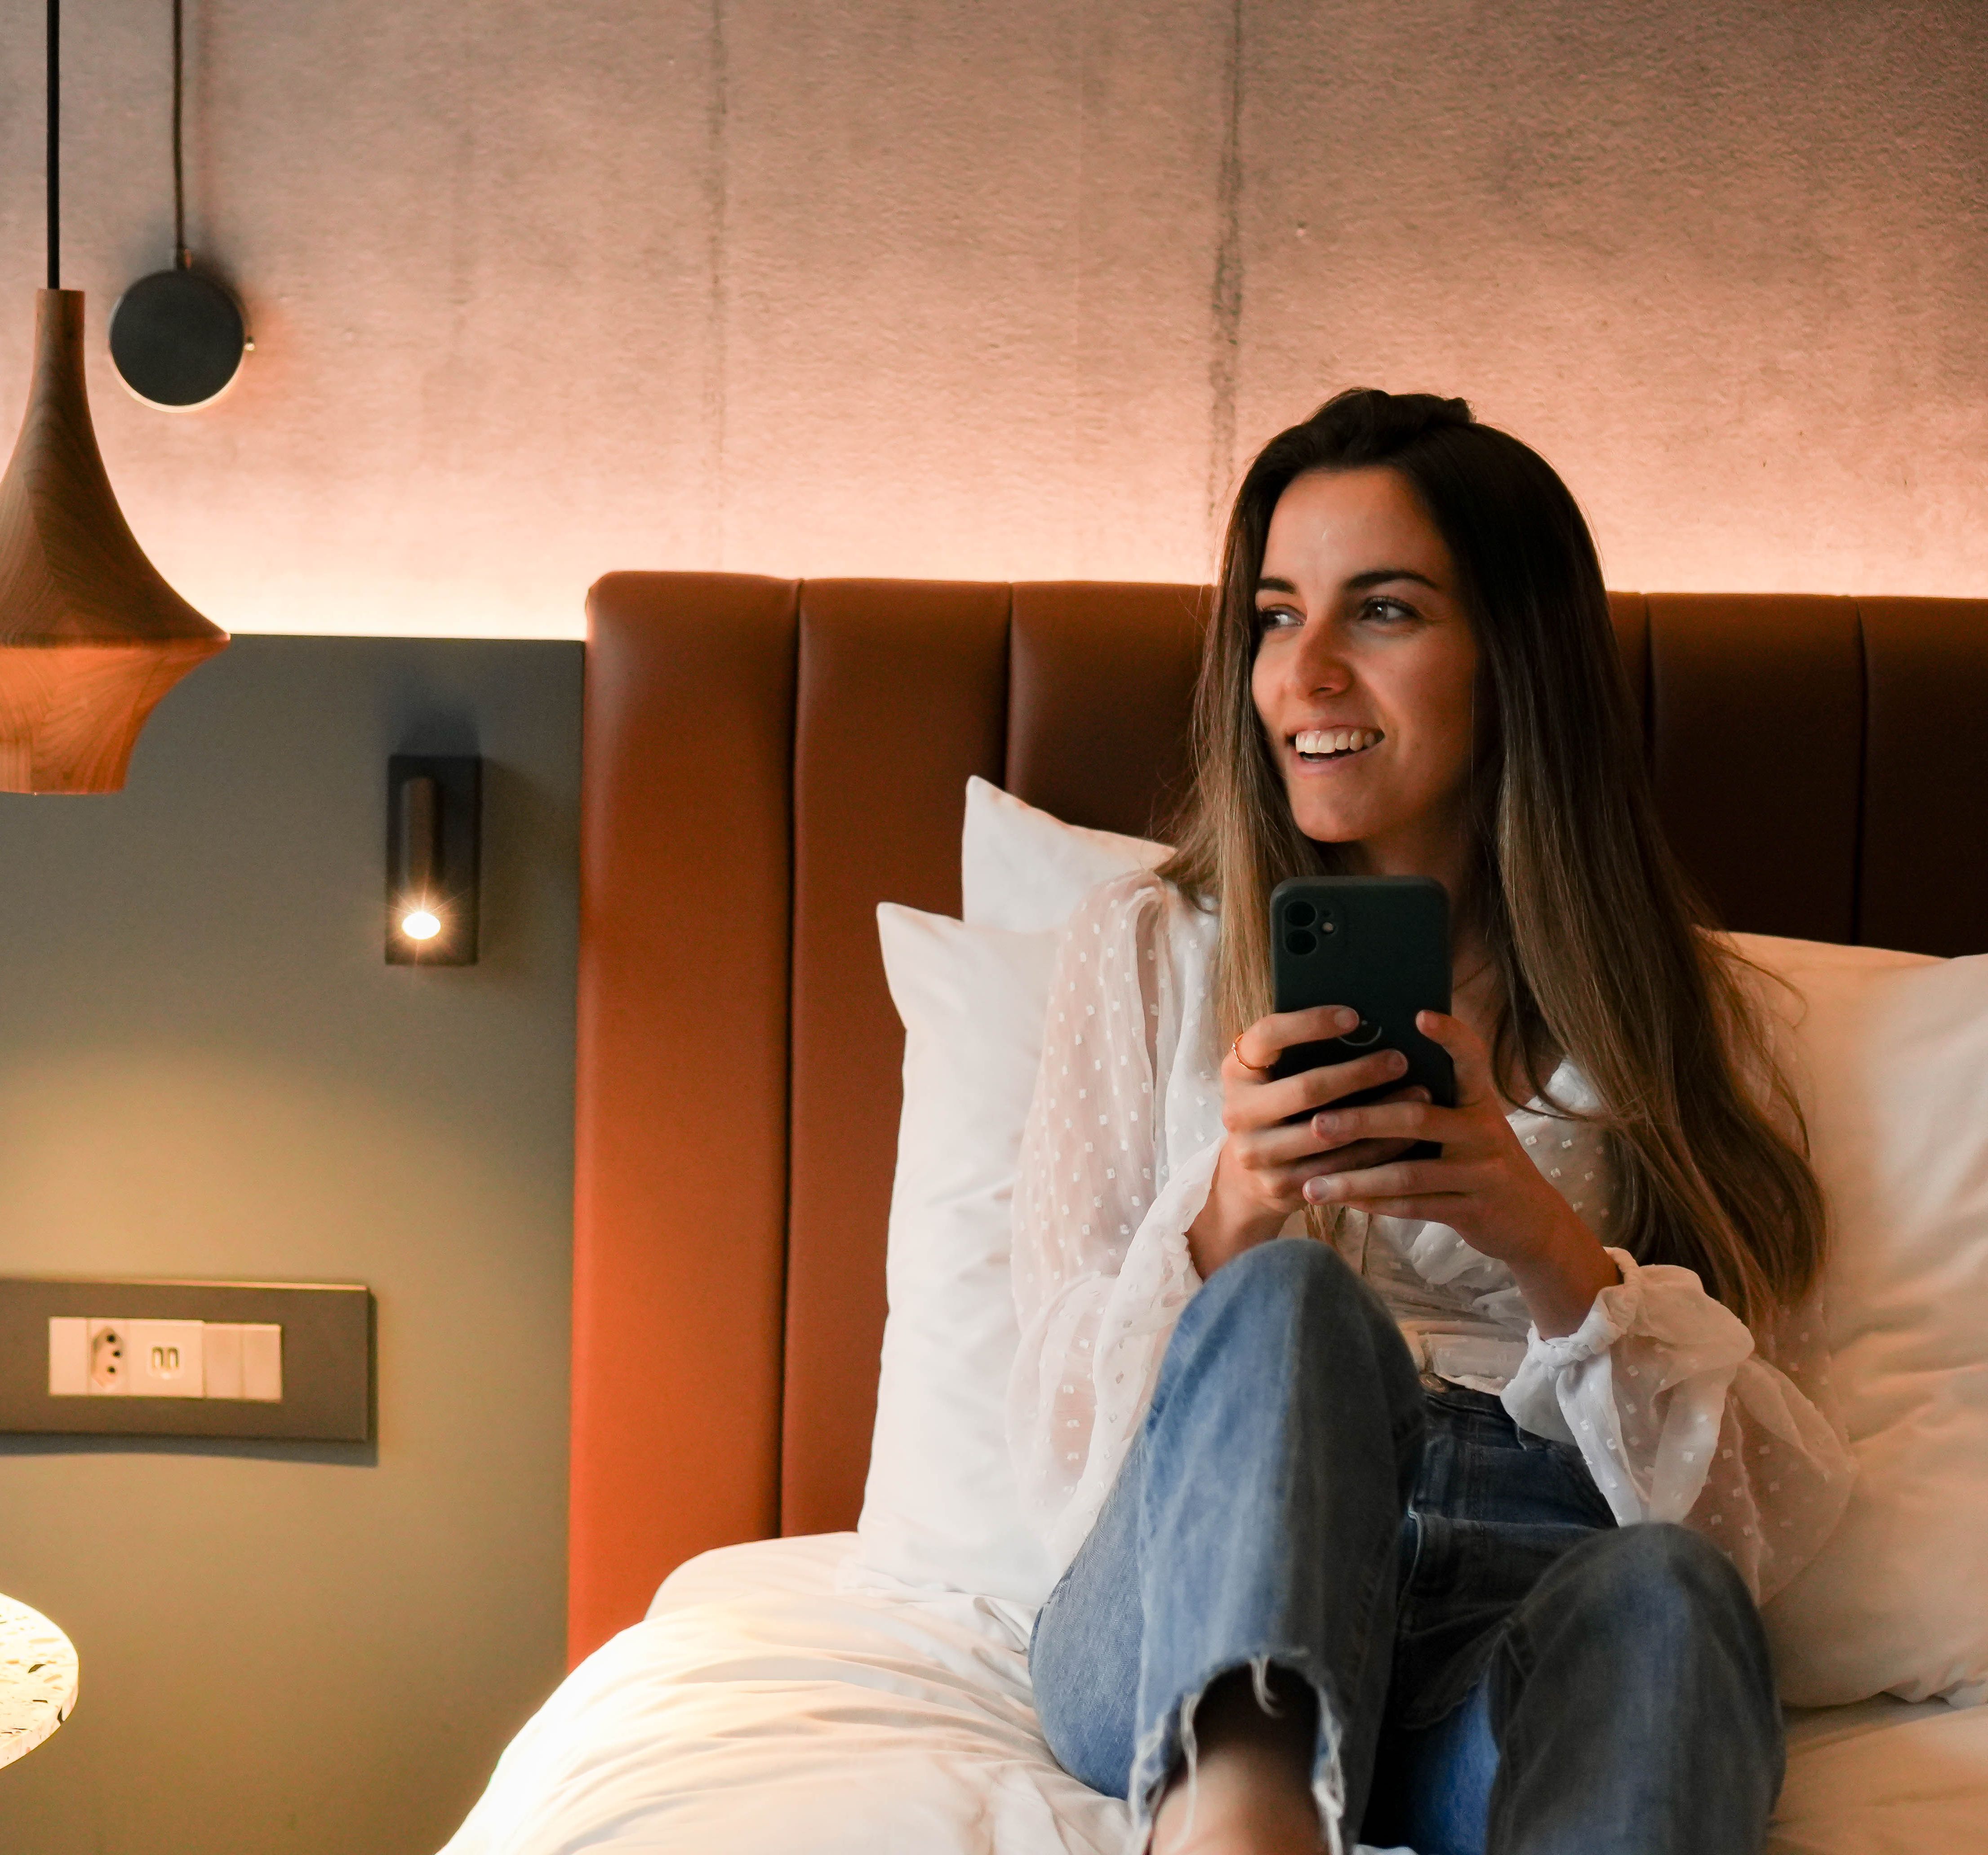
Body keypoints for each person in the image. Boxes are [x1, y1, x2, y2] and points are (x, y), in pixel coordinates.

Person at [1009, 390, 1855, 1855]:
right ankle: (1238, 1818)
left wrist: (1539, 1236)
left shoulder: (1682, 1013)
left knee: (1671, 1593)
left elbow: (1757, 1520)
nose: (1306, 674)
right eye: (1275, 617)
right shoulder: (1147, 948)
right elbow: (1050, 1418)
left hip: (1521, 1622)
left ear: (1515, 655)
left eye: (1381, 610)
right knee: (1291, 1303)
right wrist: (1232, 1215)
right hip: (1198, 1604)